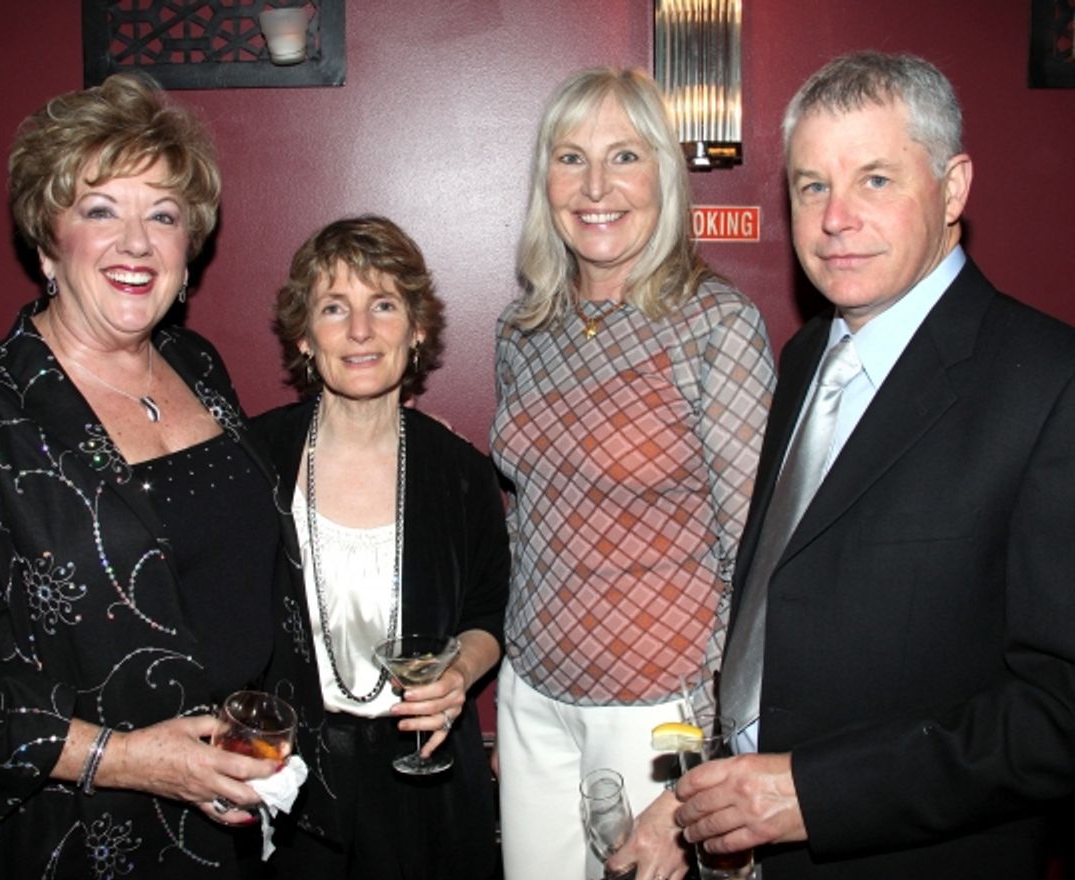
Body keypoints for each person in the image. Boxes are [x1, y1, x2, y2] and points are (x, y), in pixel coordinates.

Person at [616, 51, 1075, 880]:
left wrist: (812, 794)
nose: (834, 219)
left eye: (875, 179)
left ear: (954, 188)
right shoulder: (802, 359)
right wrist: (704, 795)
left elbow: (1059, 716)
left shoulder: (1049, 385)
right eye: (811, 185)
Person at [0, 75, 292, 878]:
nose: (136, 244)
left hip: (221, 817)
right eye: (101, 210)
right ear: (45, 246)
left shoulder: (194, 364)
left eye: (163, 216)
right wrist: (129, 759)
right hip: (66, 835)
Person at [489, 67, 776, 880]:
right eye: (571, 158)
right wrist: (517, 702)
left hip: (661, 711)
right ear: (545, 178)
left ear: (664, 175)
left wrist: (703, 755)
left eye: (624, 157)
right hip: (534, 694)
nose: (595, 186)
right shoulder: (523, 328)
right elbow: (529, 517)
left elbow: (752, 555)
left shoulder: (715, 325)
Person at [252, 215, 509, 879]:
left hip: (426, 787)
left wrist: (455, 674)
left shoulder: (461, 472)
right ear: (305, 335)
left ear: (416, 328)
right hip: (284, 788)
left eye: (384, 305)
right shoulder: (252, 461)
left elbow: (489, 613)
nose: (360, 331)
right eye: (335, 308)